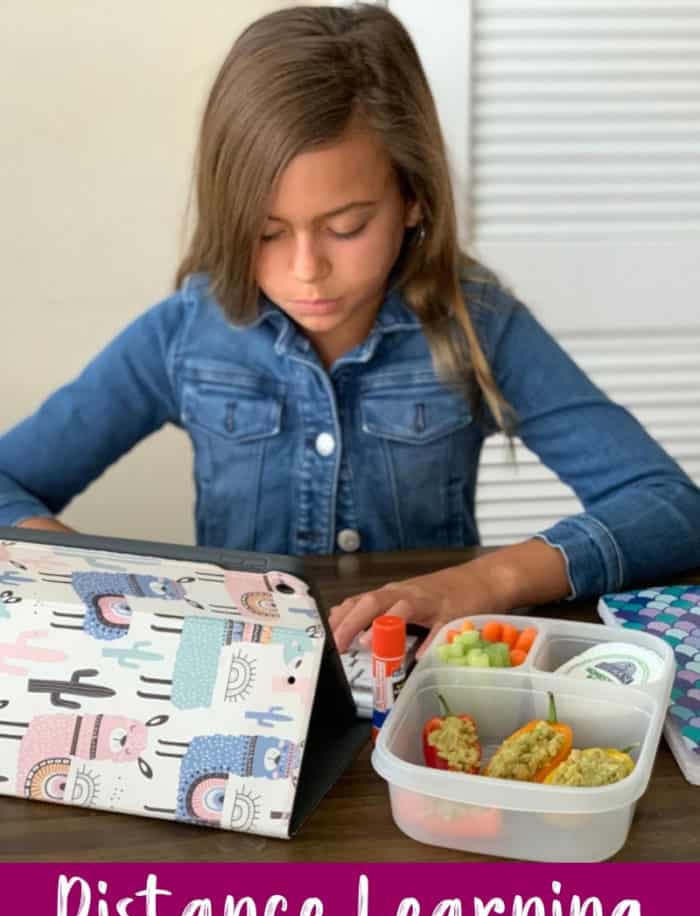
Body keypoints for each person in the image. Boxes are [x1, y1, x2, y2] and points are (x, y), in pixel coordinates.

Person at [0, 4, 698, 658]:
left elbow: (669, 508)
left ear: (414, 198)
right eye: (266, 233)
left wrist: (485, 582)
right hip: (241, 676)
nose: (308, 271)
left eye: (347, 227)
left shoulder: (479, 325)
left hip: (420, 687)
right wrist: (80, 562)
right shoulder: (185, 334)